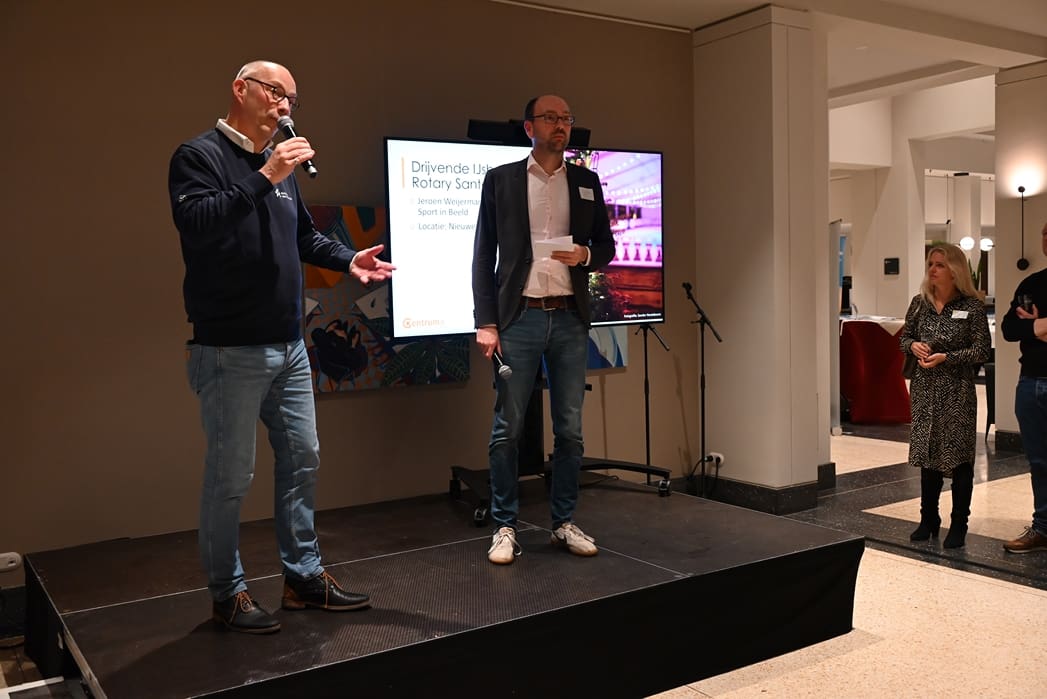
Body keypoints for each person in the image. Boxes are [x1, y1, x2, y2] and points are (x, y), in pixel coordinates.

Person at [168, 60, 394, 633]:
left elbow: (303, 237)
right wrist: (266, 174)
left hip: (289, 346)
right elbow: (200, 224)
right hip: (230, 349)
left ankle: (303, 579)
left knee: (302, 460)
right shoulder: (199, 156)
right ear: (240, 88)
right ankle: (228, 593)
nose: (286, 106)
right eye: (276, 92)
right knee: (231, 478)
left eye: (292, 98)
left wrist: (349, 258)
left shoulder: (281, 166)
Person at [471, 95, 615, 565]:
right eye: (550, 118)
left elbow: (606, 246)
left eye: (566, 118)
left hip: (570, 318)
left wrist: (586, 255)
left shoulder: (586, 181)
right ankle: (505, 525)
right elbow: (483, 254)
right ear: (529, 126)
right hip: (520, 318)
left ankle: (563, 522)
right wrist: (486, 321)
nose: (561, 125)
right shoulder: (502, 180)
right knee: (508, 429)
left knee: (570, 430)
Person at [900, 243, 991, 549]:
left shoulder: (972, 306)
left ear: (955, 270)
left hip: (957, 391)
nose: (933, 270)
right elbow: (905, 339)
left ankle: (959, 524)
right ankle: (928, 519)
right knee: (928, 456)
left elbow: (981, 350)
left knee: (959, 458)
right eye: (931, 264)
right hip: (925, 390)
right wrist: (914, 346)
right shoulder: (919, 303)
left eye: (939, 264)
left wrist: (947, 358)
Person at [1000, 221, 1047, 554]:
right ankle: (1043, 527)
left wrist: (1037, 325)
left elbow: (1024, 328)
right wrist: (1038, 328)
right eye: (1045, 233)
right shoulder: (1032, 283)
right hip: (1031, 383)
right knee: (1040, 462)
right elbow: (1009, 329)